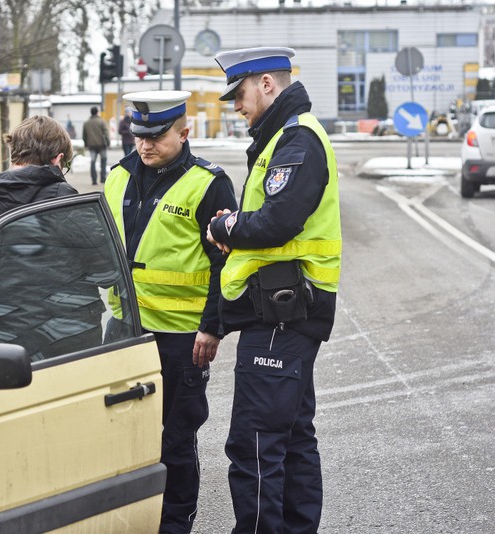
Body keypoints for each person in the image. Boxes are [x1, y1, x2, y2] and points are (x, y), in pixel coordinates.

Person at [207, 47, 341, 534]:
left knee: (256, 444)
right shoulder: (283, 137)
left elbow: (279, 220)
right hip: (283, 313)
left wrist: (226, 225)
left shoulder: (296, 138)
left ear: (267, 84)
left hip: (283, 313)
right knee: (291, 437)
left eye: (239, 95)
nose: (236, 106)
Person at [103, 90, 237, 533]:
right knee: (124, 442)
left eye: (156, 137)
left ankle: (174, 526)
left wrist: (212, 327)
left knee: (176, 442)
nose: (145, 145)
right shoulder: (118, 176)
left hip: (184, 339)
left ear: (185, 131)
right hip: (126, 334)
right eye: (139, 136)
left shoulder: (209, 183)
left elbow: (226, 264)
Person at [0, 115, 109, 361]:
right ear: (58, 159)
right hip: (68, 345)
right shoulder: (64, 201)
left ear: (13, 153)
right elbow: (108, 271)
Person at [0, 114, 77, 277]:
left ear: (13, 151)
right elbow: (99, 264)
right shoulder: (61, 196)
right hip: (50, 301)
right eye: (64, 166)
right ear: (57, 159)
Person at [82, 106, 110, 185]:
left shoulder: (86, 123)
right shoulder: (102, 121)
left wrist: (86, 144)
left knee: (93, 162)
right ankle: (102, 178)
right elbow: (106, 133)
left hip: (92, 146)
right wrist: (108, 142)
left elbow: (84, 136)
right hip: (102, 145)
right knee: (103, 161)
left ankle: (94, 180)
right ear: (97, 112)